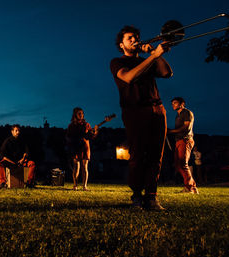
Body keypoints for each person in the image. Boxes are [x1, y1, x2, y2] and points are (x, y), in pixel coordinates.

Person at [110, 26, 173, 210]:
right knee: (137, 154)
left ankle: (151, 196)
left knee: (156, 155)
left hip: (157, 109)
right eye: (130, 38)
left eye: (136, 37)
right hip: (135, 111)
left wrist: (156, 52)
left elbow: (166, 73)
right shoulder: (116, 62)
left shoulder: (149, 59)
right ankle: (136, 196)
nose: (135, 39)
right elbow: (128, 77)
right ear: (122, 44)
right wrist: (153, 57)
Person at [168, 97, 199, 193]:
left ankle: (190, 187)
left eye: (175, 103)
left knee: (183, 163)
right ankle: (191, 186)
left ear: (182, 103)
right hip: (179, 140)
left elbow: (186, 127)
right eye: (172, 103)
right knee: (178, 165)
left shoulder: (186, 113)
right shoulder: (178, 115)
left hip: (185, 140)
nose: (173, 104)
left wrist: (170, 131)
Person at [66, 107, 98, 191]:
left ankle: (84, 186)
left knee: (85, 167)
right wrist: (72, 143)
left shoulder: (86, 124)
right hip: (76, 147)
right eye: (79, 113)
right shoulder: (71, 125)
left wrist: (94, 132)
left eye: (82, 113)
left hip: (85, 147)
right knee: (76, 166)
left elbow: (91, 136)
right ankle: (75, 185)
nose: (81, 115)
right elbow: (68, 137)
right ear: (75, 115)